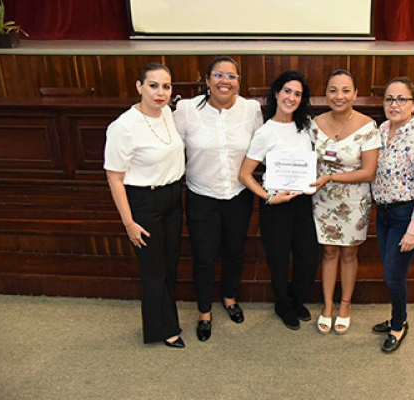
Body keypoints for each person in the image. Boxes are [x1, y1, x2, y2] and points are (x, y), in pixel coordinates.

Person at [173, 56, 263, 342]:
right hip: (202, 195)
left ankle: (229, 297)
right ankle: (203, 312)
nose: (225, 81)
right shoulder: (187, 109)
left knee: (235, 251)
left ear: (239, 82)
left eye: (231, 76)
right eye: (218, 75)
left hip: (239, 194)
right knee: (204, 256)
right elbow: (171, 148)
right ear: (207, 79)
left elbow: (263, 147)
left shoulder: (251, 109)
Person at [104, 63, 186, 348]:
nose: (160, 92)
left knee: (169, 264)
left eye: (166, 86)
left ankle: (167, 322)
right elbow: (114, 178)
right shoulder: (123, 126)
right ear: (139, 87)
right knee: (153, 270)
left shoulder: (168, 114)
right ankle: (164, 330)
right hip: (144, 202)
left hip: (173, 199)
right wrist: (129, 223)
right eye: (153, 85)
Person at [239, 71, 318, 330]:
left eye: (297, 94)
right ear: (276, 93)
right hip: (276, 207)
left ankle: (295, 299)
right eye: (287, 91)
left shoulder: (307, 127)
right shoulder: (265, 132)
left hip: (303, 203)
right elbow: (245, 174)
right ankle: (283, 305)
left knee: (307, 259)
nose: (291, 97)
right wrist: (269, 197)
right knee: (279, 259)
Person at [310, 69, 381, 335]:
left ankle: (345, 305)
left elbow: (369, 171)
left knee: (349, 253)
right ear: (325, 93)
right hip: (322, 198)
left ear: (355, 94)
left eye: (345, 90)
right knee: (328, 252)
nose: (339, 96)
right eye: (332, 90)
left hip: (354, 201)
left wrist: (330, 176)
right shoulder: (314, 124)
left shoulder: (368, 126)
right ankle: (327, 305)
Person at [371, 76, 414, 353]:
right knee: (391, 272)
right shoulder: (382, 129)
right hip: (383, 214)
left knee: (393, 277)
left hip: (405, 217)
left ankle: (399, 324)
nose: (394, 104)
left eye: (401, 99)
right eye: (389, 99)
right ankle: (396, 317)